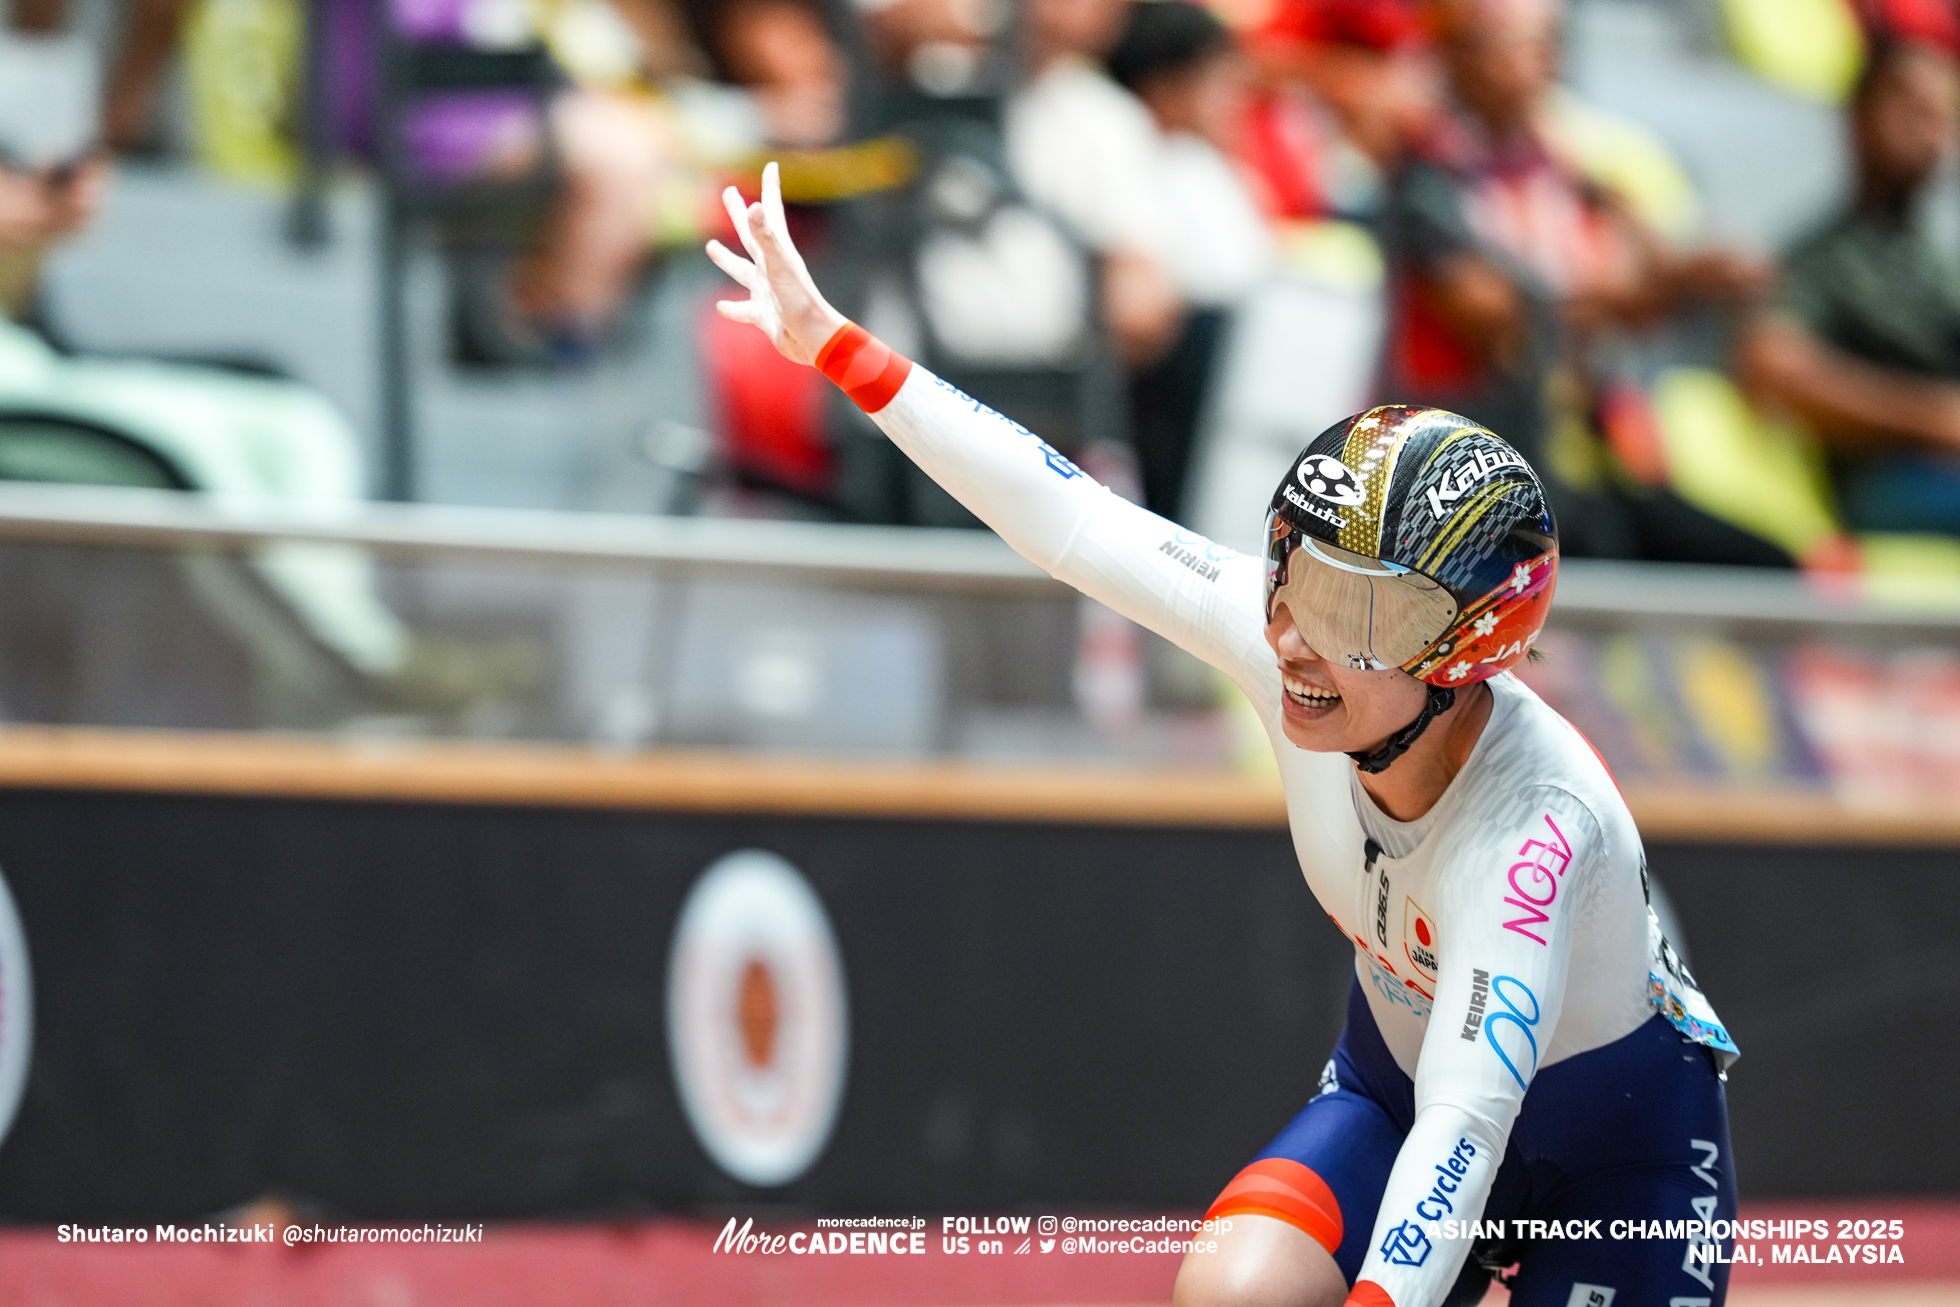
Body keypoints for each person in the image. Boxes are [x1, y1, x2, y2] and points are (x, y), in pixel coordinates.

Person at [708, 162, 1740, 1307]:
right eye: (1294, 574)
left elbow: (1468, 1122)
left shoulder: (1534, 832)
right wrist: (838, 345)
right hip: (1395, 1089)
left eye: (1361, 613)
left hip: (1613, 1159)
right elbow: (1072, 519)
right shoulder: (1281, 634)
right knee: (1234, 1291)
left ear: (1464, 651)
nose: (1295, 639)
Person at [1738, 35, 1960, 536]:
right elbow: (1770, 366)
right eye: (1912, 109)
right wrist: (1934, 419)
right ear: (1859, 115)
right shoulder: (1824, 257)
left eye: (1943, 116)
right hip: (1891, 478)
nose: (1931, 134)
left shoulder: (1934, 261)